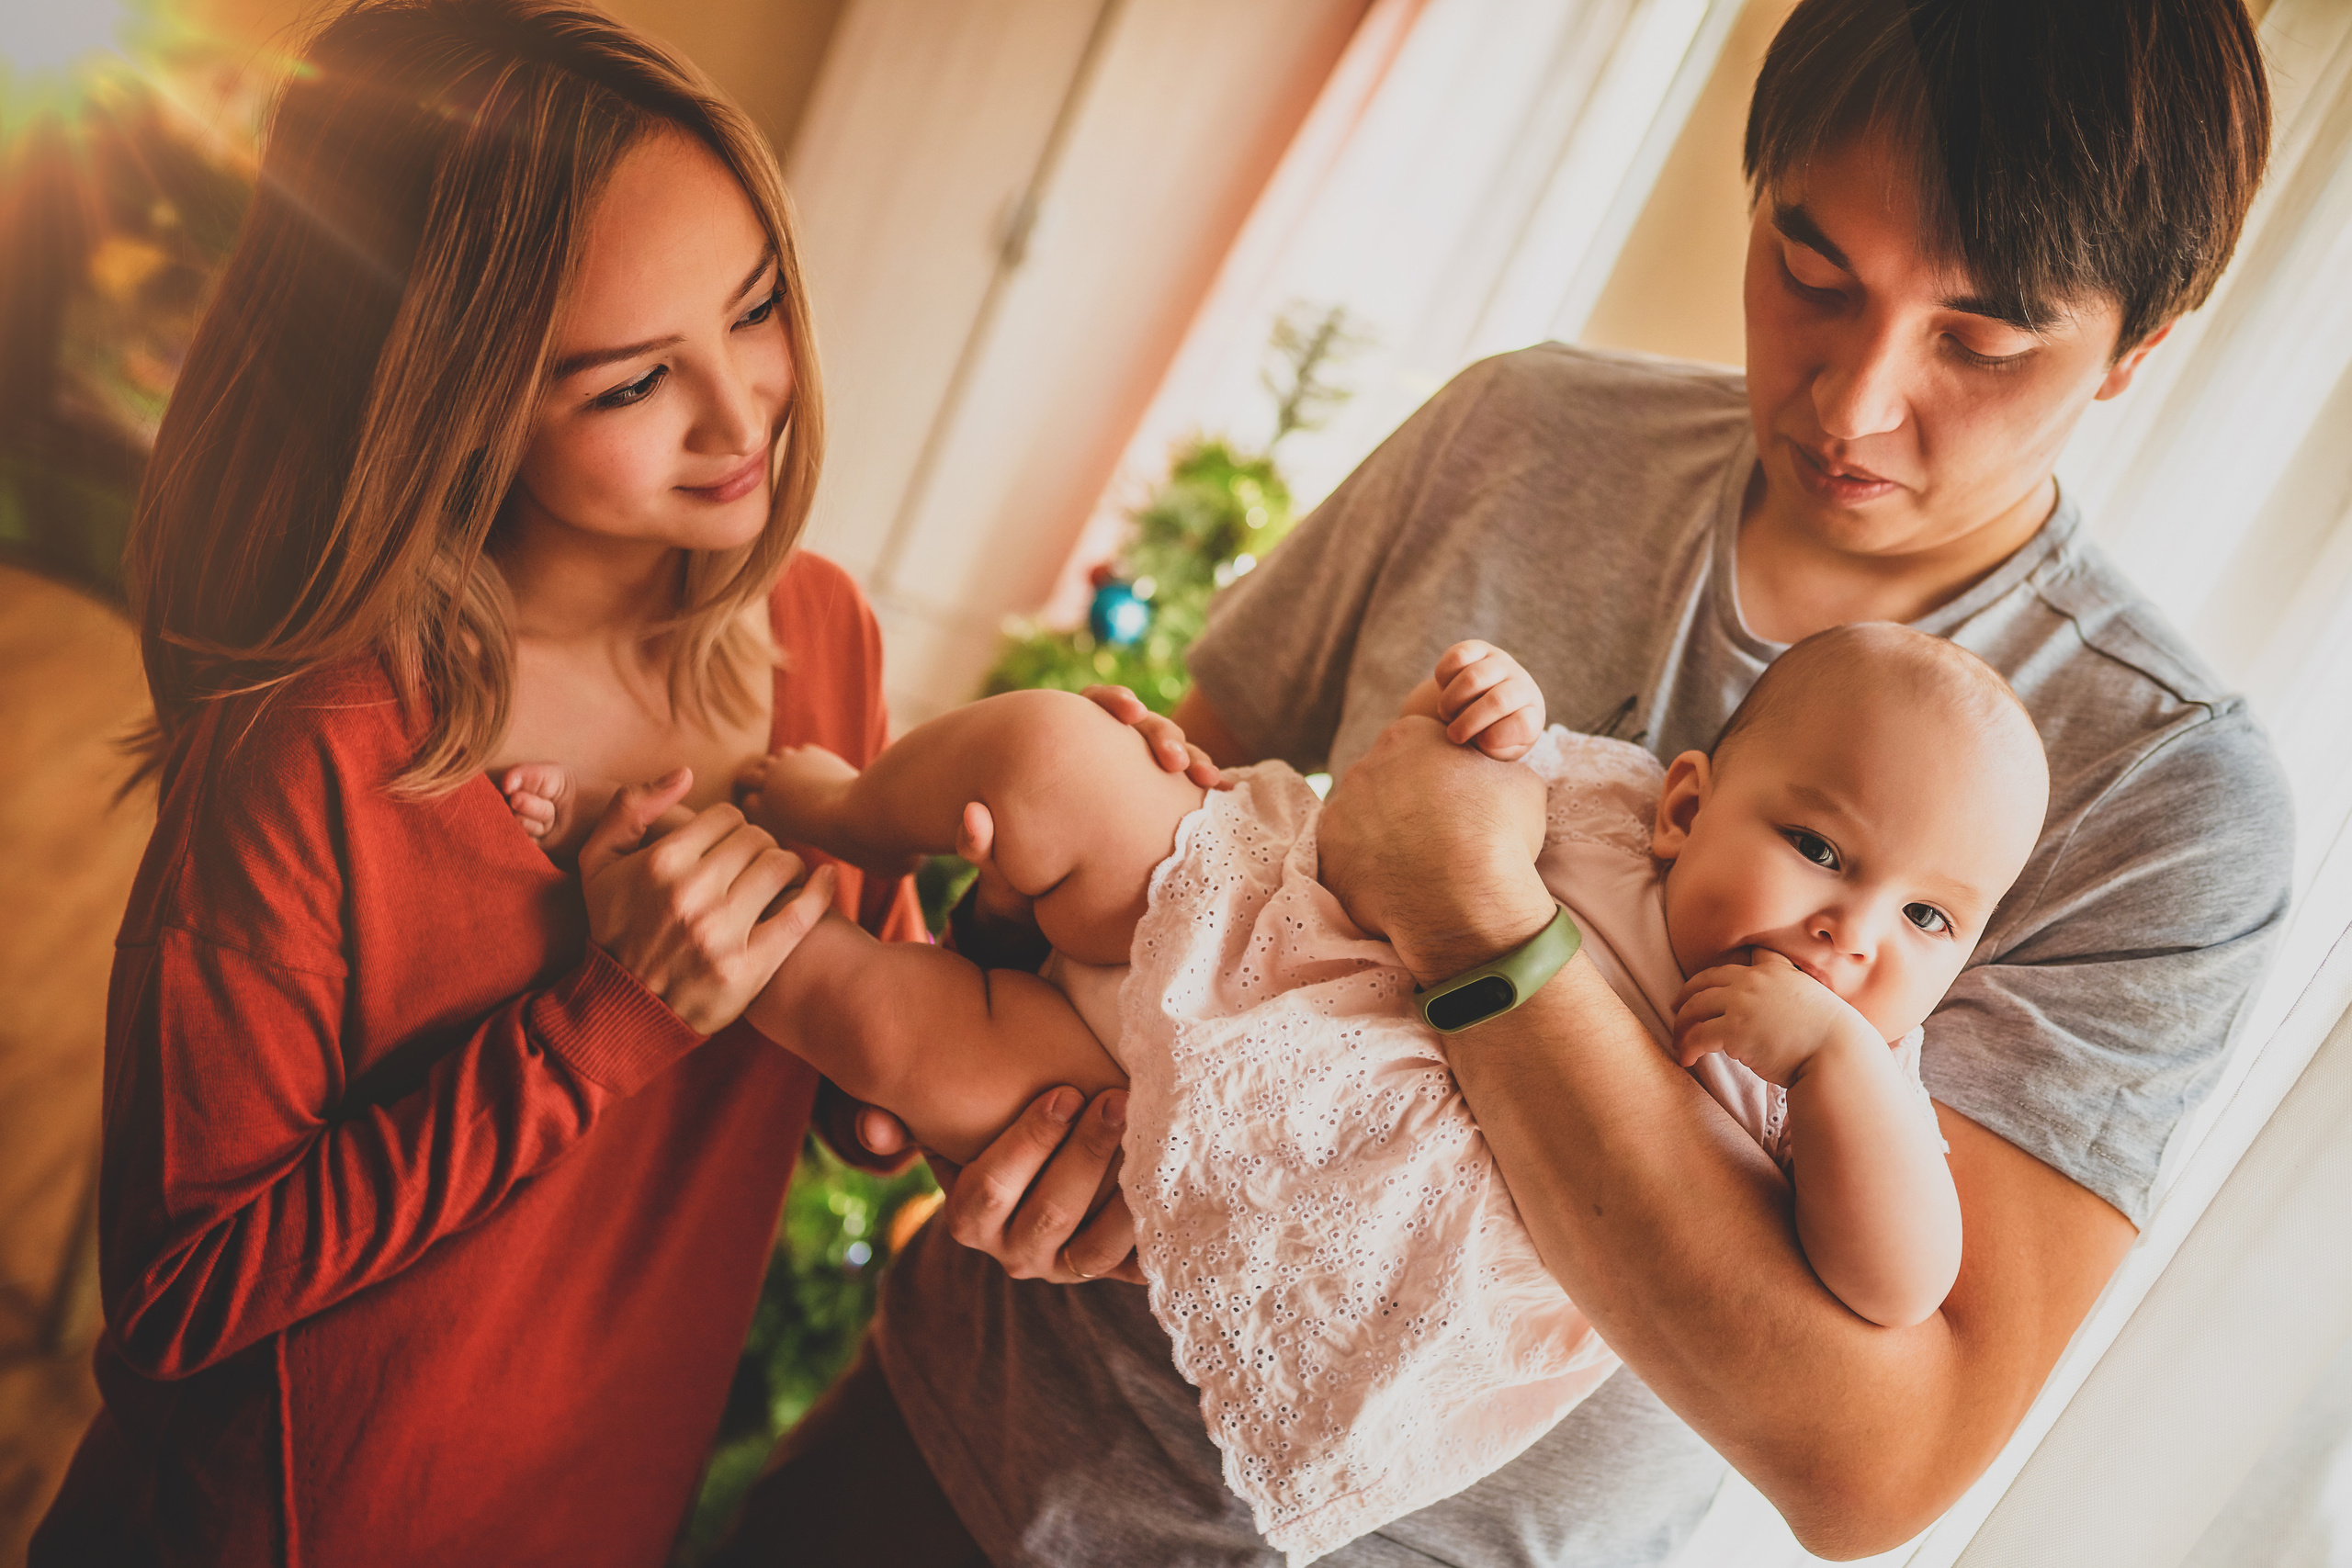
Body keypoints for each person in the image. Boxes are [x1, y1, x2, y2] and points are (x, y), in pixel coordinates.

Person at [751, 0, 2295, 1562]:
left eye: (1981, 342)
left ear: (2136, 353)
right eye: (1809, 274)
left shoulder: (2155, 797)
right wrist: (939, 1097)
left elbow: (1873, 1467)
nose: (1853, 402)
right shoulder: (1522, 430)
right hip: (949, 1437)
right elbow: (1137, 872)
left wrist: (1480, 916)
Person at [502, 622, 2028, 1562]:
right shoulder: (1622, 808)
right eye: (1823, 852)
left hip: (1282, 1157)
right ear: (1693, 801)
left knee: (934, 1046)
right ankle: (856, 810)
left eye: (1927, 922)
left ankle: (685, 890)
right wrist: (1484, 705)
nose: (1853, 932)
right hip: (1251, 933)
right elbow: (1453, 767)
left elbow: (1899, 1282)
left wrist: (1833, 1066)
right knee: (1053, 749)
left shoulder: (1832, 1075)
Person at [28, 3, 922, 1562]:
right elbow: (177, 1308)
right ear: (450, 403)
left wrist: (1057, 849)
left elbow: (867, 1108)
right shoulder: (318, 747)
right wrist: (607, 1022)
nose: (742, 411)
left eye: (759, 306)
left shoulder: (822, 634)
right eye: (633, 382)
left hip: (601, 1512)